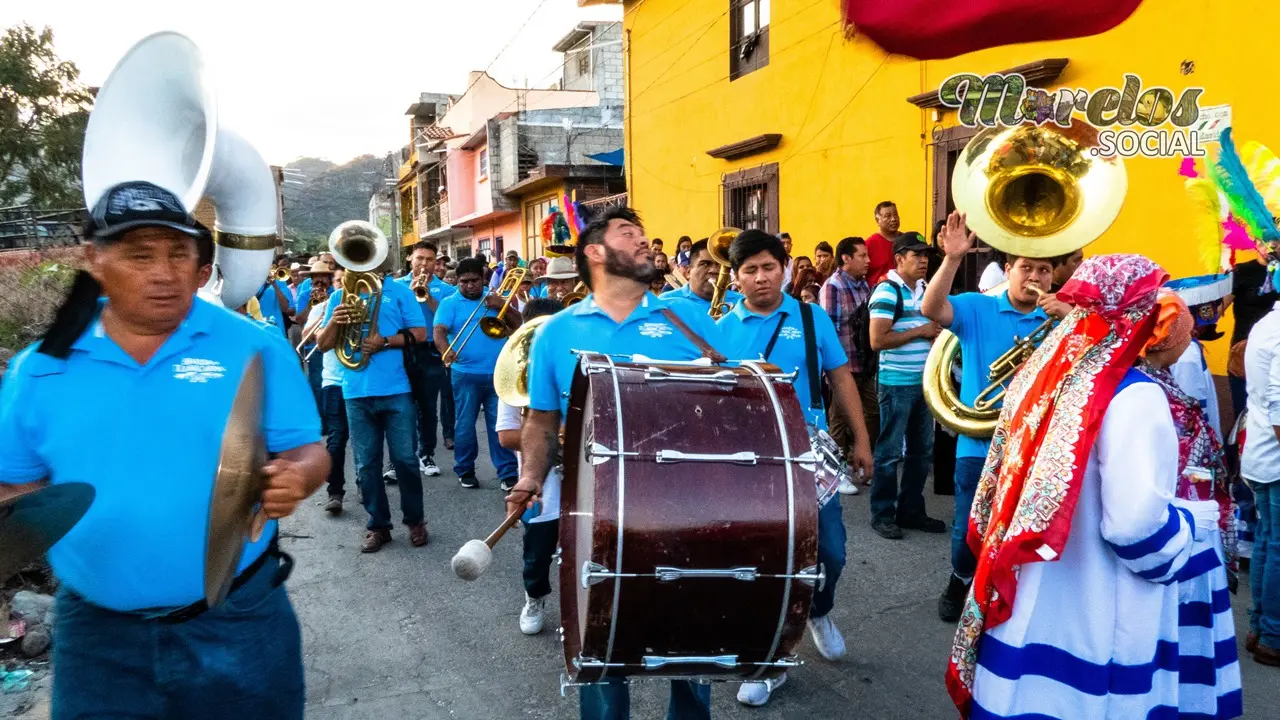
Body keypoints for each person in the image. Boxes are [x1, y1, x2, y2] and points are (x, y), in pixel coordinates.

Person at [0, 181, 328, 719]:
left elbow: (308, 452)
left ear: (201, 264)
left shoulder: (254, 345)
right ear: (94, 261)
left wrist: (297, 477)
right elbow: (18, 485)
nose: (164, 272)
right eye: (139, 255)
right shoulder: (40, 367)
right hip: (97, 634)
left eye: (180, 253)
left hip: (239, 616)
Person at [947, 254, 1242, 720]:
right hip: (1099, 606)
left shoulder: (1043, 375)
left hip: (1035, 589)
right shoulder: (1135, 395)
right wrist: (1190, 523)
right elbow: (1136, 530)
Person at [509, 206, 722, 720]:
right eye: (630, 234)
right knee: (602, 642)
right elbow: (541, 419)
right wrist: (531, 476)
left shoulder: (688, 317)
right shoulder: (556, 332)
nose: (646, 242)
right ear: (596, 253)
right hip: (595, 509)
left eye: (646, 234)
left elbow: (736, 395)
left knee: (690, 641)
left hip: (686, 505)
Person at [716, 229, 873, 708]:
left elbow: (841, 379)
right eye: (750, 270)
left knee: (830, 553)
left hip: (808, 448)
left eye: (769, 267)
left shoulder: (811, 316)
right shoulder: (720, 327)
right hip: (746, 454)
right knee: (759, 562)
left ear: (784, 268)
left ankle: (819, 611)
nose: (761, 277)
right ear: (737, 277)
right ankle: (767, 661)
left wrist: (862, 441)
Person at [921, 211, 1069, 621]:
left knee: (1025, 526)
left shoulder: (1061, 321)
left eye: (1043, 269)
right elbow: (930, 308)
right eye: (1026, 268)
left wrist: (1074, 319)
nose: (1034, 277)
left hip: (1036, 446)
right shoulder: (977, 307)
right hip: (978, 443)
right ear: (1008, 270)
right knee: (969, 524)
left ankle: (1008, 590)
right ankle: (959, 579)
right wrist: (951, 259)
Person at [1138, 290, 1242, 711]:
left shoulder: (1155, 374)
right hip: (1179, 512)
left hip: (1186, 504)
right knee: (1176, 614)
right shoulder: (1150, 383)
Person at [316, 223, 428, 553]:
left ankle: (415, 520)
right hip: (355, 390)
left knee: (406, 460)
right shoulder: (339, 295)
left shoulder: (399, 291)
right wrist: (336, 319)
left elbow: (420, 334)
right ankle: (378, 525)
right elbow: (322, 345)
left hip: (396, 389)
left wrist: (385, 342)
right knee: (366, 465)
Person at [495, 297, 566, 636]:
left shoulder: (574, 369)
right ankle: (534, 597)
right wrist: (548, 436)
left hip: (582, 479)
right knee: (537, 552)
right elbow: (507, 437)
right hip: (541, 486)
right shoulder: (514, 377)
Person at [867, 231, 943, 540]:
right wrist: (922, 331)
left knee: (921, 453)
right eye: (916, 254)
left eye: (925, 254)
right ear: (899, 259)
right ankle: (882, 514)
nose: (924, 259)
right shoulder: (887, 291)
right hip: (896, 383)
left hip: (924, 384)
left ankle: (911, 510)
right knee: (889, 453)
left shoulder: (925, 288)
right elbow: (877, 341)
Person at [434, 258, 520, 490]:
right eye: (464, 282)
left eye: (474, 281)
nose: (470, 286)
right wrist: (446, 350)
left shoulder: (494, 298)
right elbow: (439, 330)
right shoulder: (449, 303)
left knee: (499, 424)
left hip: (498, 373)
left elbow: (519, 325)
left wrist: (503, 306)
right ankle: (465, 469)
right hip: (465, 374)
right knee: (464, 424)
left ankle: (508, 472)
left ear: (482, 279)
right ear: (458, 282)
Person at [1242, 291, 1280, 667]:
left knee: (1269, 542)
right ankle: (1273, 635)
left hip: (1262, 454)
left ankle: (1261, 627)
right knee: (1275, 545)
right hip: (1275, 454)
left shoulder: (1267, 323)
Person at [820, 237, 876, 488]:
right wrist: (828, 368)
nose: (868, 261)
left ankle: (857, 460)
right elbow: (827, 330)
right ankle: (834, 471)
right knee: (839, 420)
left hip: (863, 361)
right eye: (862, 256)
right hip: (841, 366)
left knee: (873, 414)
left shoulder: (863, 285)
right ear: (846, 258)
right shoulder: (832, 286)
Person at [399, 241, 456, 478]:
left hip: (431, 352)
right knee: (400, 407)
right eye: (420, 258)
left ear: (436, 263)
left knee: (428, 407)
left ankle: (426, 453)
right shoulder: (395, 286)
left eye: (430, 259)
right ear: (410, 259)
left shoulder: (446, 289)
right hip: (402, 350)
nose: (424, 264)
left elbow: (446, 319)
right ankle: (399, 457)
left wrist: (427, 297)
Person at [303, 268, 351, 515]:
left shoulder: (367, 303)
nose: (344, 286)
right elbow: (309, 339)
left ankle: (367, 486)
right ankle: (335, 491)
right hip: (334, 380)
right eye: (340, 282)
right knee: (336, 438)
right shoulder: (323, 307)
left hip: (361, 381)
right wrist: (328, 316)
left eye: (348, 281)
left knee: (367, 442)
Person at [660, 238, 744, 314]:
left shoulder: (741, 302)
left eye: (720, 265)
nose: (714, 270)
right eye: (705, 264)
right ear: (688, 272)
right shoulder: (666, 301)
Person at [293, 259, 336, 407]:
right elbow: (299, 319)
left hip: (331, 344)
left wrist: (327, 302)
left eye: (323, 276)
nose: (319, 280)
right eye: (316, 277)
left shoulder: (335, 293)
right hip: (312, 345)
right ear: (311, 280)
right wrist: (312, 305)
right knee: (317, 384)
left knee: (332, 386)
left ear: (329, 278)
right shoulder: (305, 294)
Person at [865, 201, 902, 286]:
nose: (893, 219)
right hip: (879, 294)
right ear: (878, 220)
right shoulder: (869, 245)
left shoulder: (906, 240)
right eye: (888, 216)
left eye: (895, 214)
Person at [256, 260, 296, 337]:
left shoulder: (279, 281)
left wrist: (274, 284)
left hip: (276, 327)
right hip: (256, 326)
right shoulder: (251, 280)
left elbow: (285, 308)